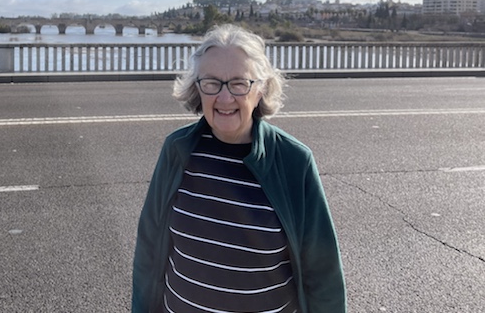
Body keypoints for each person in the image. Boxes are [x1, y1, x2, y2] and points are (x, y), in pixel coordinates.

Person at [132, 24, 346, 313]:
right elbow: (149, 252)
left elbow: (322, 274)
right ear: (197, 88)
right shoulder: (177, 151)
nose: (224, 98)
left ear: (260, 89)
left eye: (239, 83)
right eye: (211, 83)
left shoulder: (294, 162)